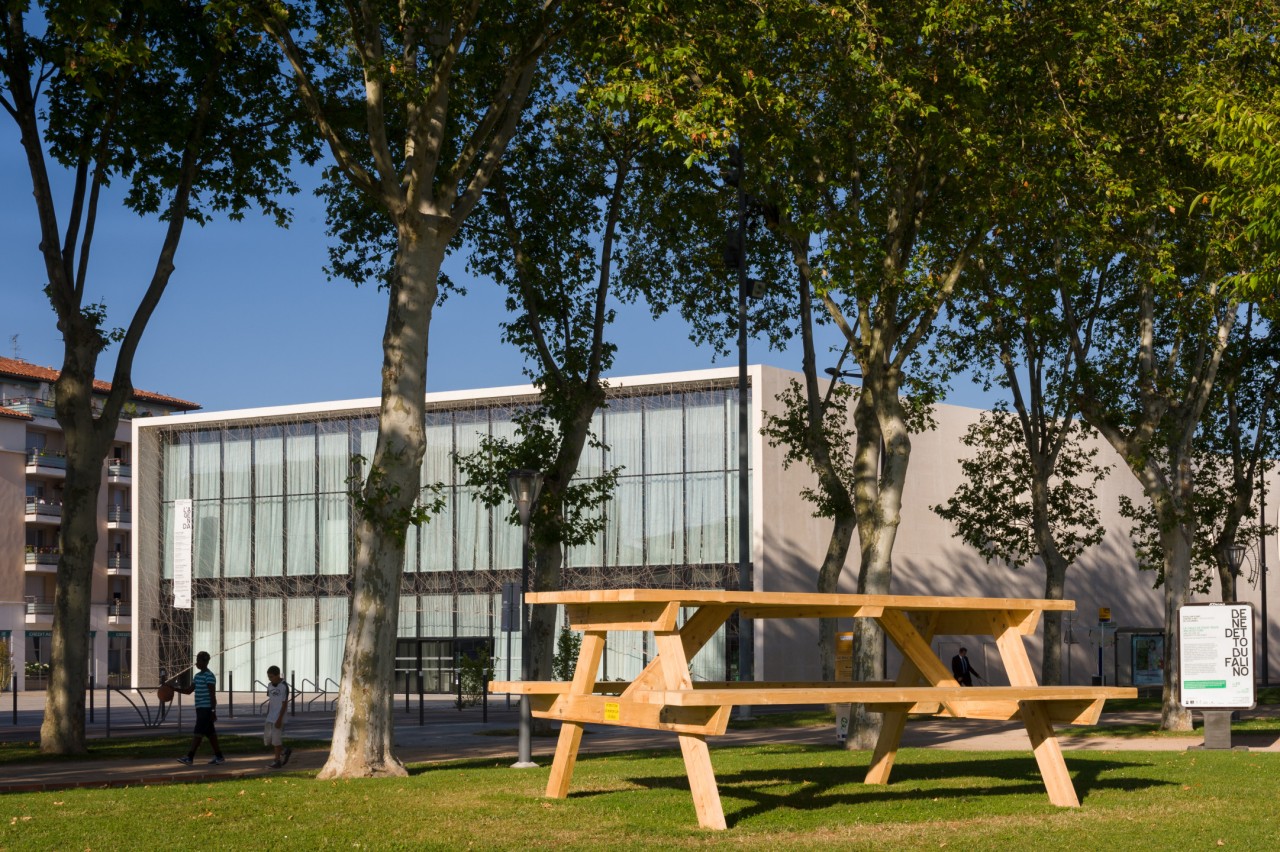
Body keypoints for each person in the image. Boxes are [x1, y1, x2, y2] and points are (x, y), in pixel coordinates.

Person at [172, 651, 225, 766]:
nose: (196, 663)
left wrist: (213, 711)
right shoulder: (197, 676)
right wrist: (174, 689)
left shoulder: (209, 676)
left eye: (199, 661)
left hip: (206, 709)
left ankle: (190, 757)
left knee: (198, 733)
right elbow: (188, 691)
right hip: (199, 708)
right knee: (211, 734)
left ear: (205, 662)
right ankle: (219, 756)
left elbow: (212, 695)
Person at [264, 665, 293, 769]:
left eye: (271, 677)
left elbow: (284, 703)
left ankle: (277, 761)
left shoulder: (283, 686)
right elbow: (271, 700)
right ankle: (285, 750)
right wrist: (268, 714)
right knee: (269, 739)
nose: (270, 679)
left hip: (279, 716)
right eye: (269, 677)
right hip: (270, 716)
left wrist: (279, 718)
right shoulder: (270, 685)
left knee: (276, 740)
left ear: (277, 675)